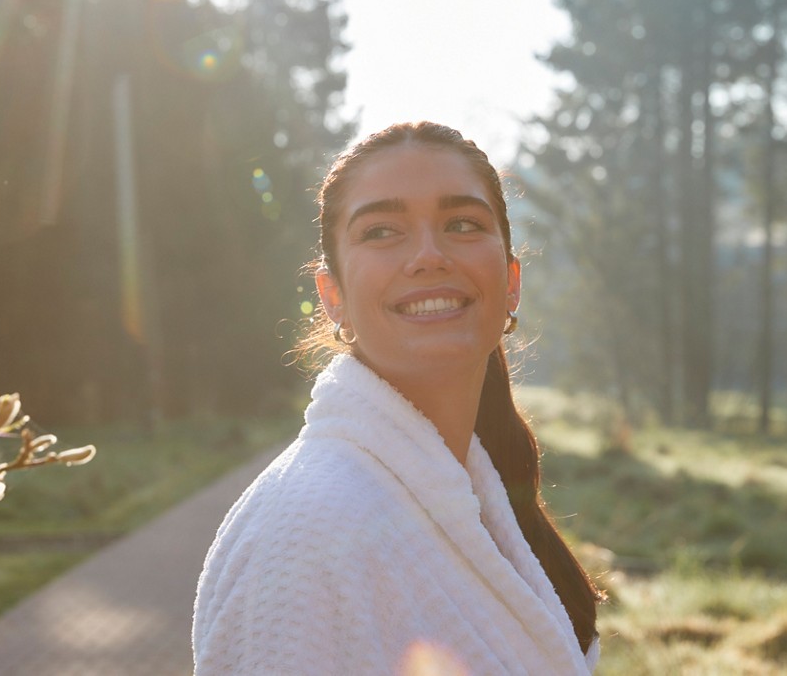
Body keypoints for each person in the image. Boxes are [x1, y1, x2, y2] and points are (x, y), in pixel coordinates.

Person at [192, 121, 604, 675]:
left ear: (511, 282)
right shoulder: (300, 534)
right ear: (332, 296)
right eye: (382, 232)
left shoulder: (485, 505)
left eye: (461, 224)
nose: (429, 256)